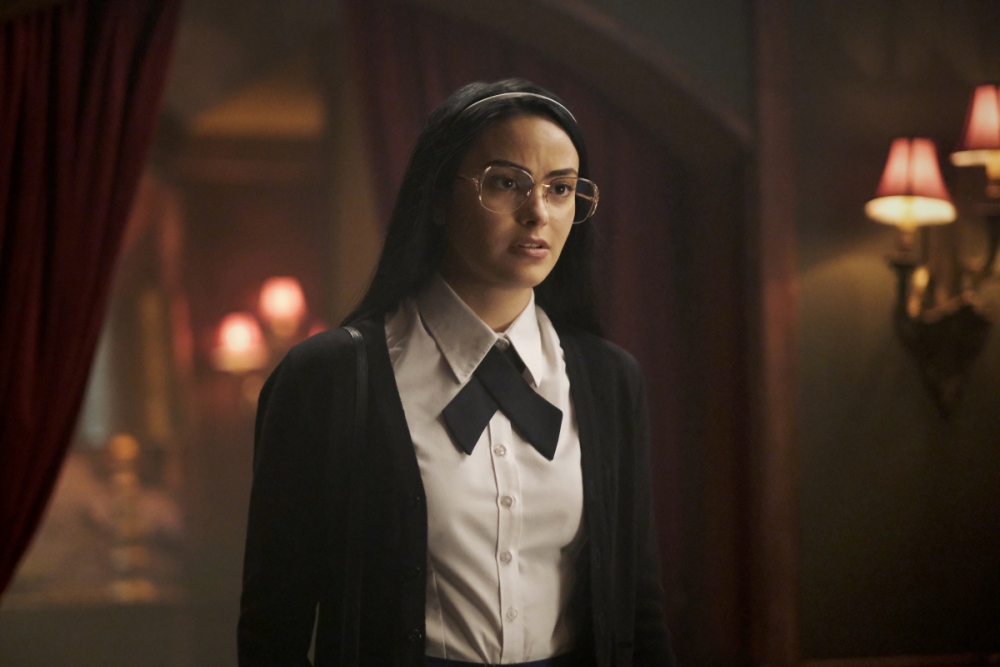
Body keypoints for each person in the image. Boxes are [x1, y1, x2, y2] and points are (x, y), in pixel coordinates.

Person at [238, 78, 675, 667]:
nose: (537, 213)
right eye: (506, 183)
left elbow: (638, 609)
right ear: (439, 198)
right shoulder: (328, 379)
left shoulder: (609, 380)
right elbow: (274, 627)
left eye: (560, 188)